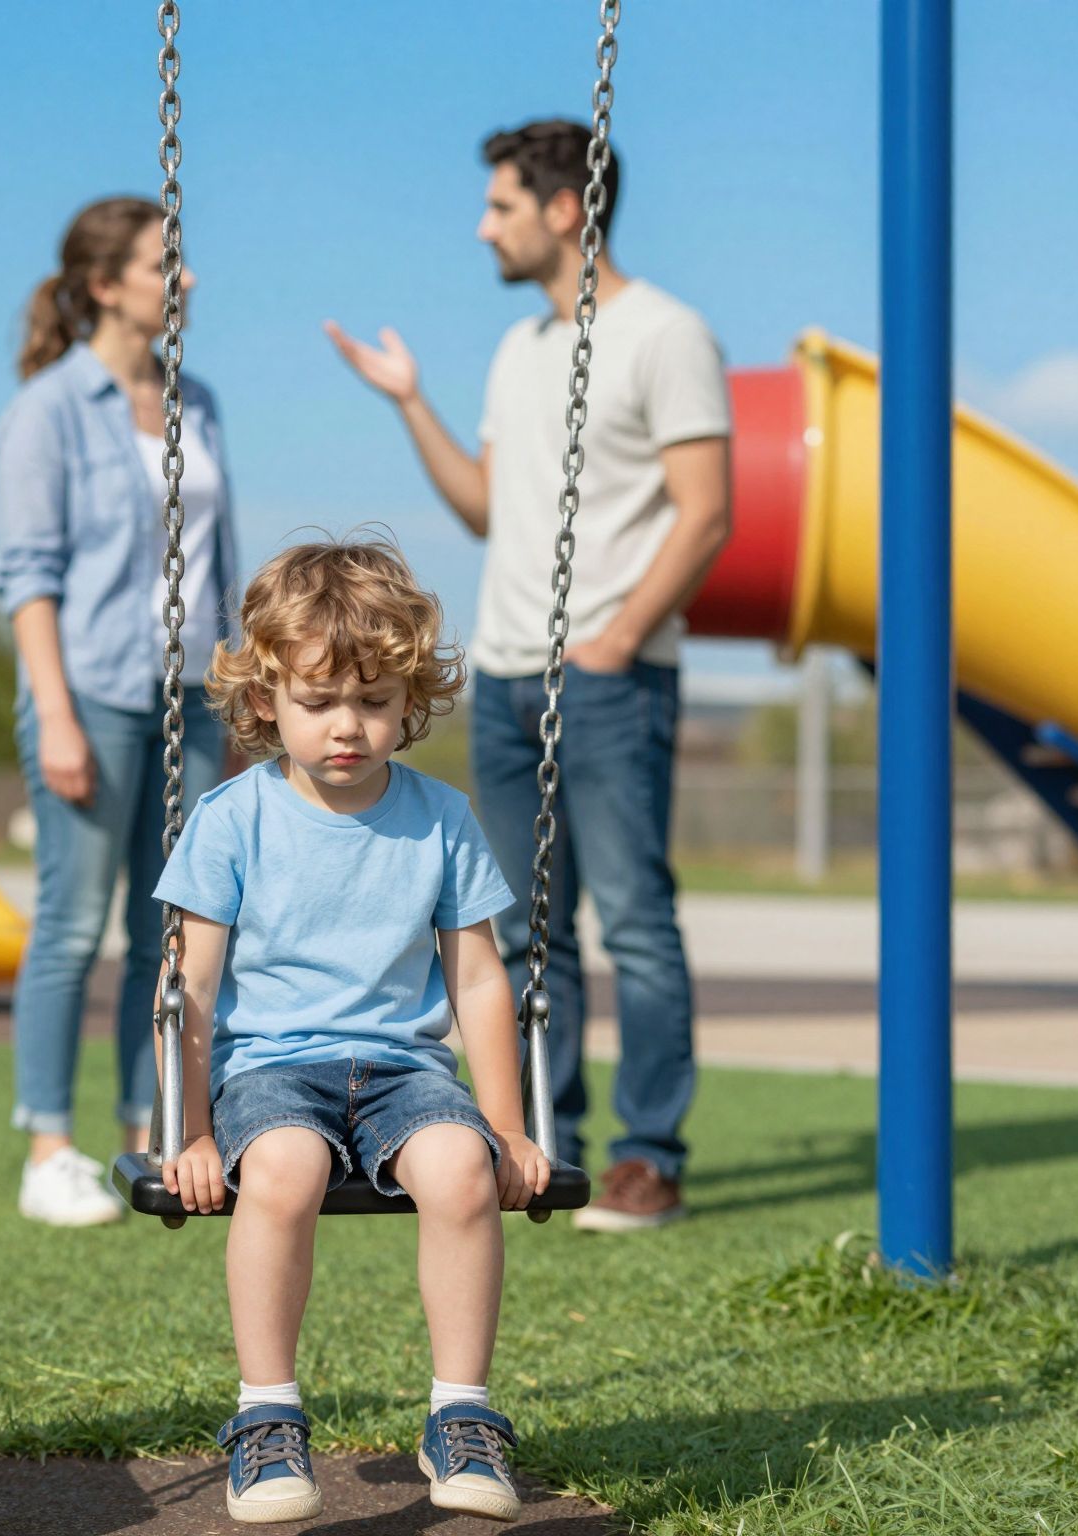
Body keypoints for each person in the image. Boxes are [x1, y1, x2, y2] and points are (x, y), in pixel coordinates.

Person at [326, 119, 732, 1231]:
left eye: (499, 203)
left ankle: (649, 1158)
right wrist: (407, 398)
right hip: (504, 682)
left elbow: (705, 516)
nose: (481, 224)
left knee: (635, 921)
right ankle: (541, 1141)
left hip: (607, 681)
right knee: (518, 931)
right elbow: (480, 507)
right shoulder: (518, 350)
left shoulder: (666, 333)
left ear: (561, 208)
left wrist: (612, 638)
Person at [155, 538, 550, 1525]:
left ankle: (461, 1414)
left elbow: (478, 980)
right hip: (270, 1073)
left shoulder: (441, 819)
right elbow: (186, 992)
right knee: (282, 1170)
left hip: (401, 1069)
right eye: (318, 702)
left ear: (407, 703)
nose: (346, 728)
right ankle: (265, 1417)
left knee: (460, 1171)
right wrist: (187, 1133)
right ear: (263, 703)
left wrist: (503, 1126)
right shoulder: (229, 819)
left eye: (372, 704)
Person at [0, 195, 241, 1226]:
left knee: (169, 928)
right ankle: (48, 1146)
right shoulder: (50, 407)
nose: (182, 281)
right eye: (162, 265)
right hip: (89, 691)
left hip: (188, 697)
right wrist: (52, 713)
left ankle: (148, 1129)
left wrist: (238, 697)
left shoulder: (199, 403)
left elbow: (220, 567)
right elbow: (29, 576)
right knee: (70, 922)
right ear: (106, 286)